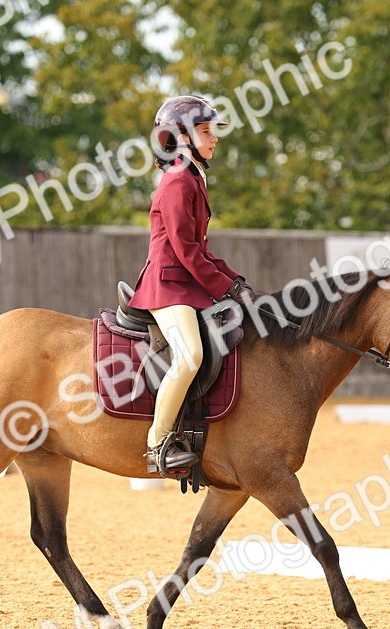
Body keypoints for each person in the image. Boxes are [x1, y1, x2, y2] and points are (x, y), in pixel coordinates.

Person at [127, 95, 259, 476]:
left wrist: (236, 284)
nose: (214, 138)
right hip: (167, 286)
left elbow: (202, 248)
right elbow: (185, 251)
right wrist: (223, 288)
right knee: (189, 357)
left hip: (187, 284)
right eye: (205, 132)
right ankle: (157, 444)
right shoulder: (176, 182)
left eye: (213, 131)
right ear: (182, 138)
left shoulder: (193, 178)